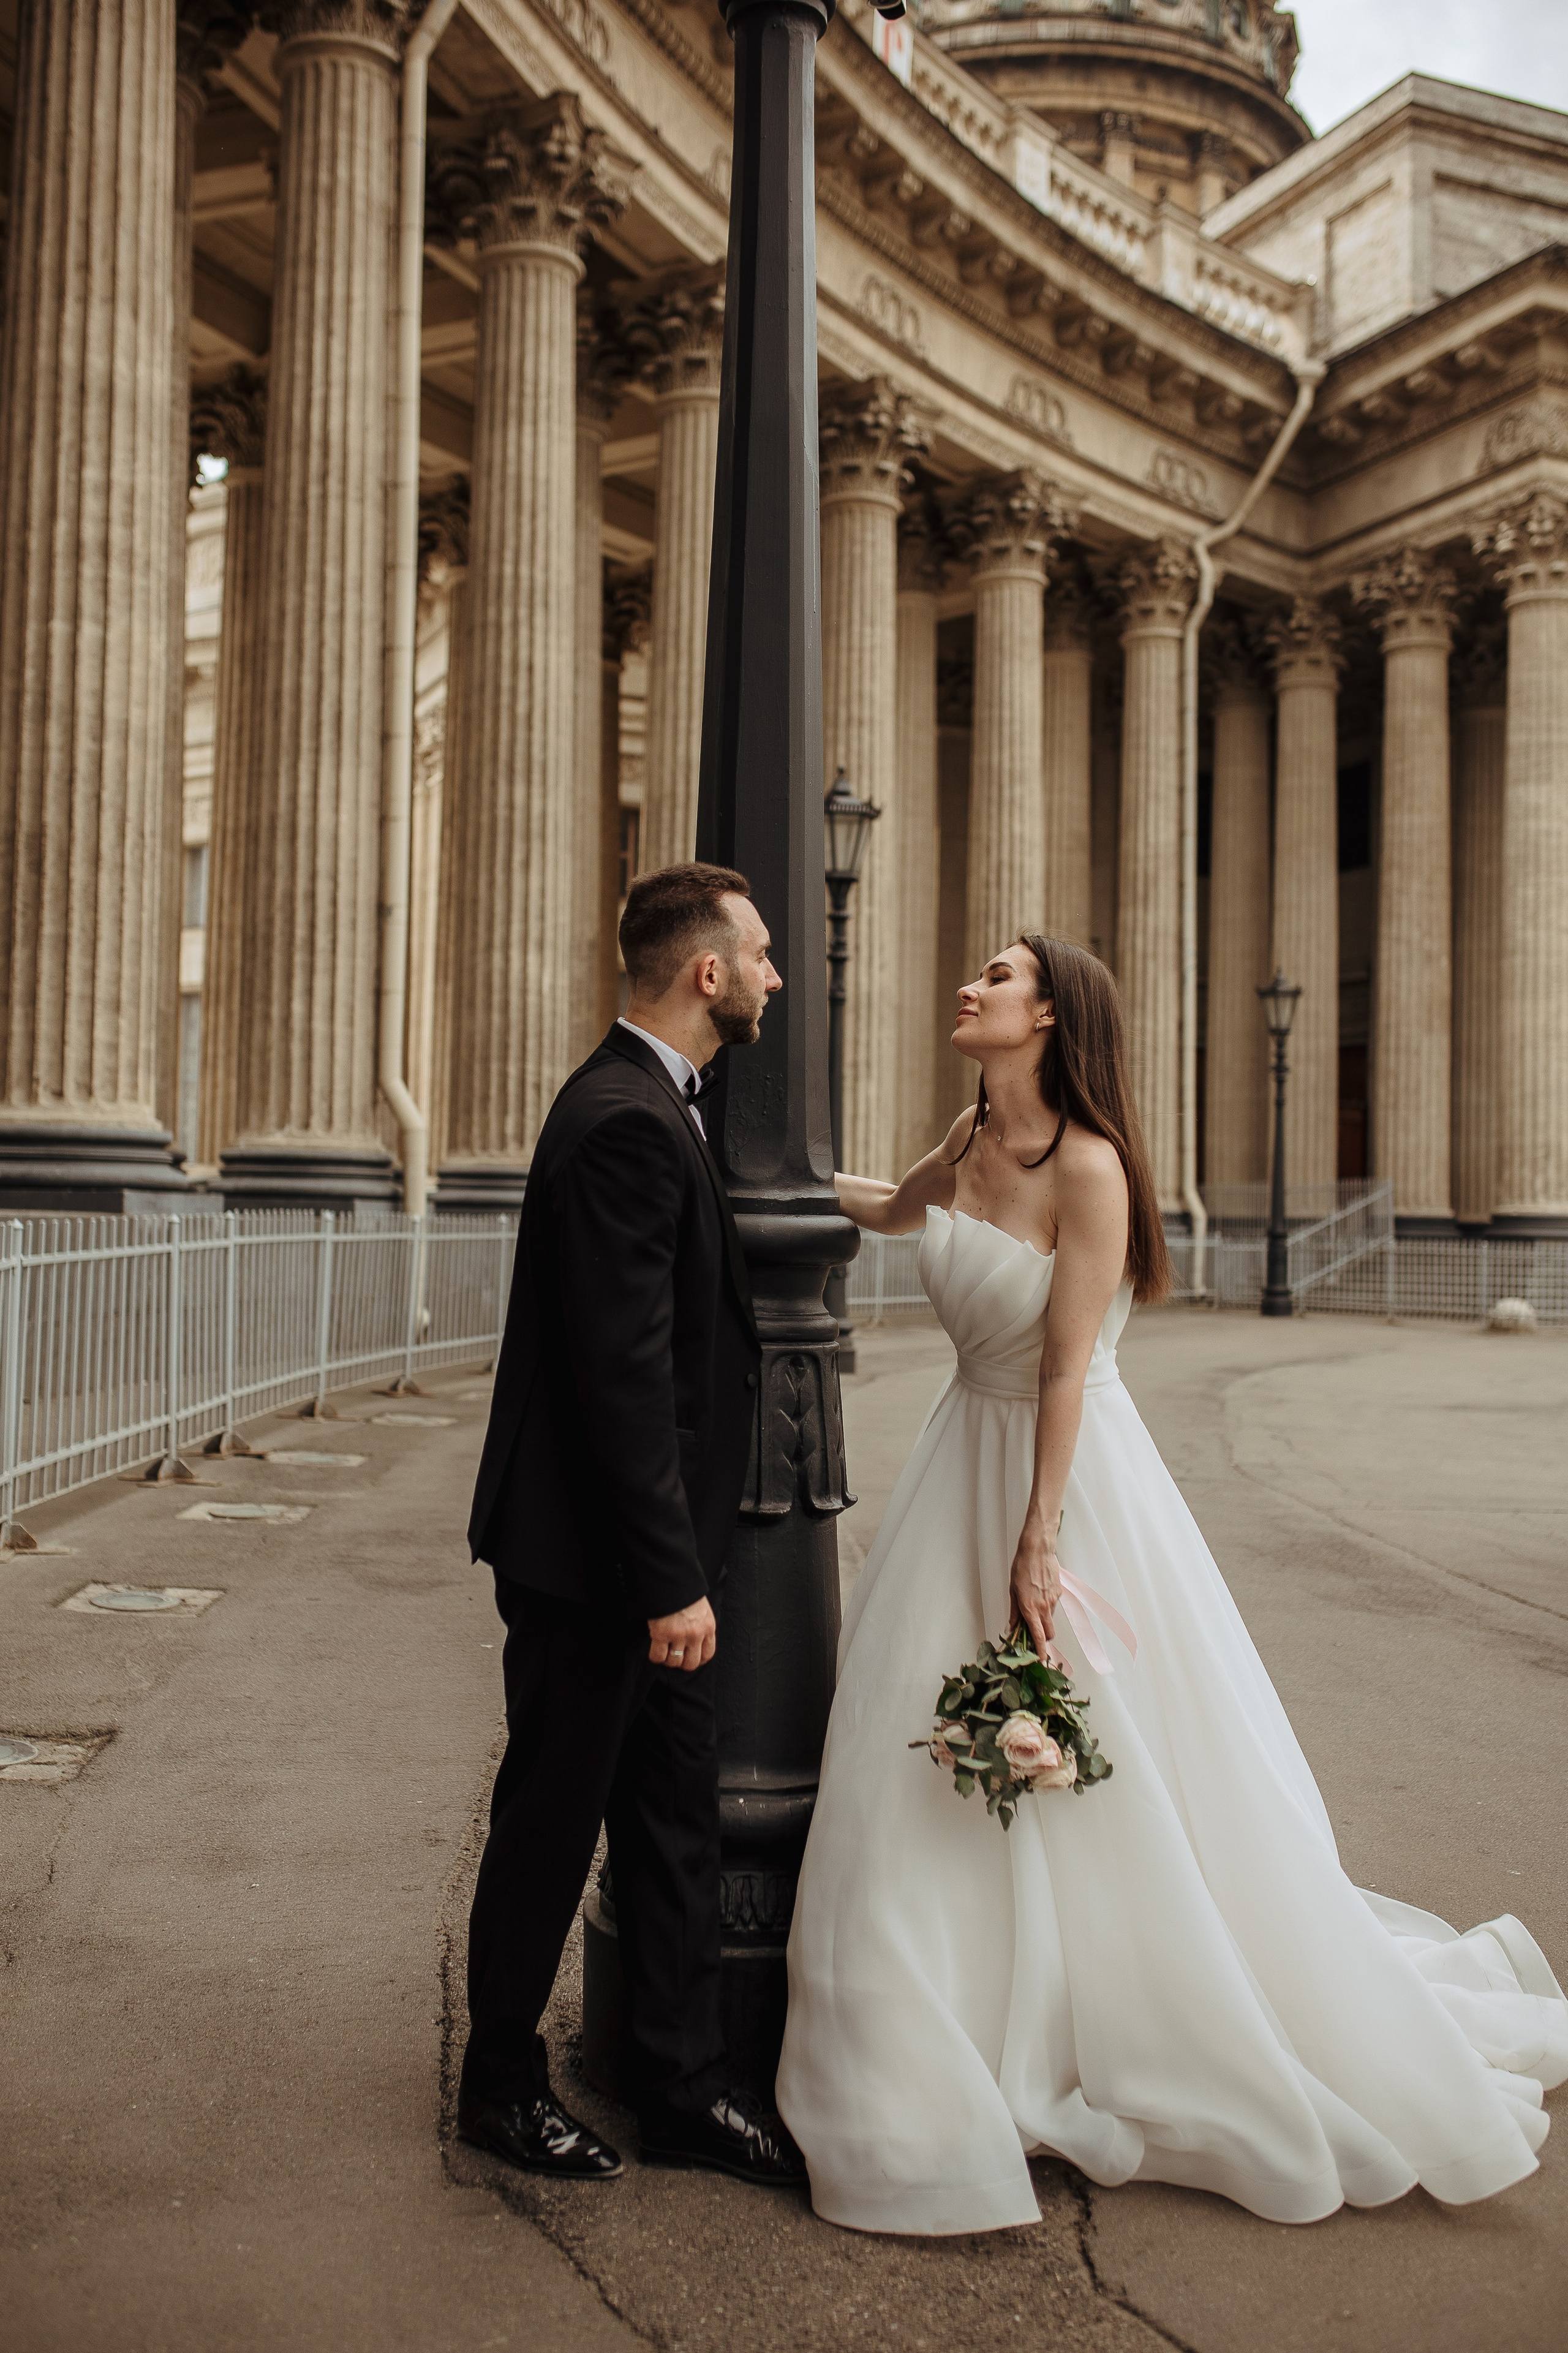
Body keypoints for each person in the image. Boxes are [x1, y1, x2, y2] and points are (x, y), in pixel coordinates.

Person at [777, 932, 1568, 2234]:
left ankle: (1131, 2000)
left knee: (1091, 1747)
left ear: (1049, 1017)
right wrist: (766, 1174)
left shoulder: (1085, 1168)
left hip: (1065, 1474)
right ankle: (933, 2007)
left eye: (995, 977)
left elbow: (1066, 1367)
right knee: (911, 1740)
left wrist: (1037, 1541)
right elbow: (888, 1210)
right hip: (951, 1463)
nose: (967, 988)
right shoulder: (969, 1132)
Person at [459, 862, 804, 2187]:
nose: (776, 976)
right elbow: (619, 1377)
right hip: (595, 1565)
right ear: (704, 972)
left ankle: (675, 2084)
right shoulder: (621, 1118)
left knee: (672, 1821)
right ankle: (497, 2085)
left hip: (646, 1561)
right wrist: (669, 1580)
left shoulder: (658, 1102)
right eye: (760, 956)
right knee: (551, 1819)